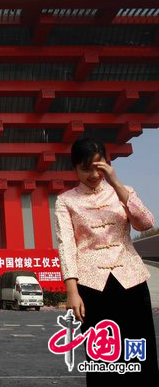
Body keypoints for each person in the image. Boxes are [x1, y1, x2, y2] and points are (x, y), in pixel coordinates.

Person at [55, 136, 158, 383]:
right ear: (74, 169)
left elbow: (145, 223)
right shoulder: (65, 201)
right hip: (93, 286)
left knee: (139, 353)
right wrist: (72, 291)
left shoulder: (124, 192)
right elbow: (66, 246)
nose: (92, 174)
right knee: (102, 358)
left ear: (107, 163)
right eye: (85, 168)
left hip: (131, 281)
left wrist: (116, 183)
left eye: (98, 166)